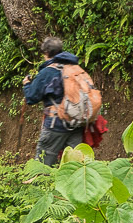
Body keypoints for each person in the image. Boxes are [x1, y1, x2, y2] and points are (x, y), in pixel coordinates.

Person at [21, 35, 95, 166]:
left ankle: (42, 179)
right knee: (75, 166)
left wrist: (27, 84)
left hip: (55, 125)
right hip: (76, 124)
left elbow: (31, 97)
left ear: (46, 53)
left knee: (42, 165)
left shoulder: (48, 72)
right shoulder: (75, 69)